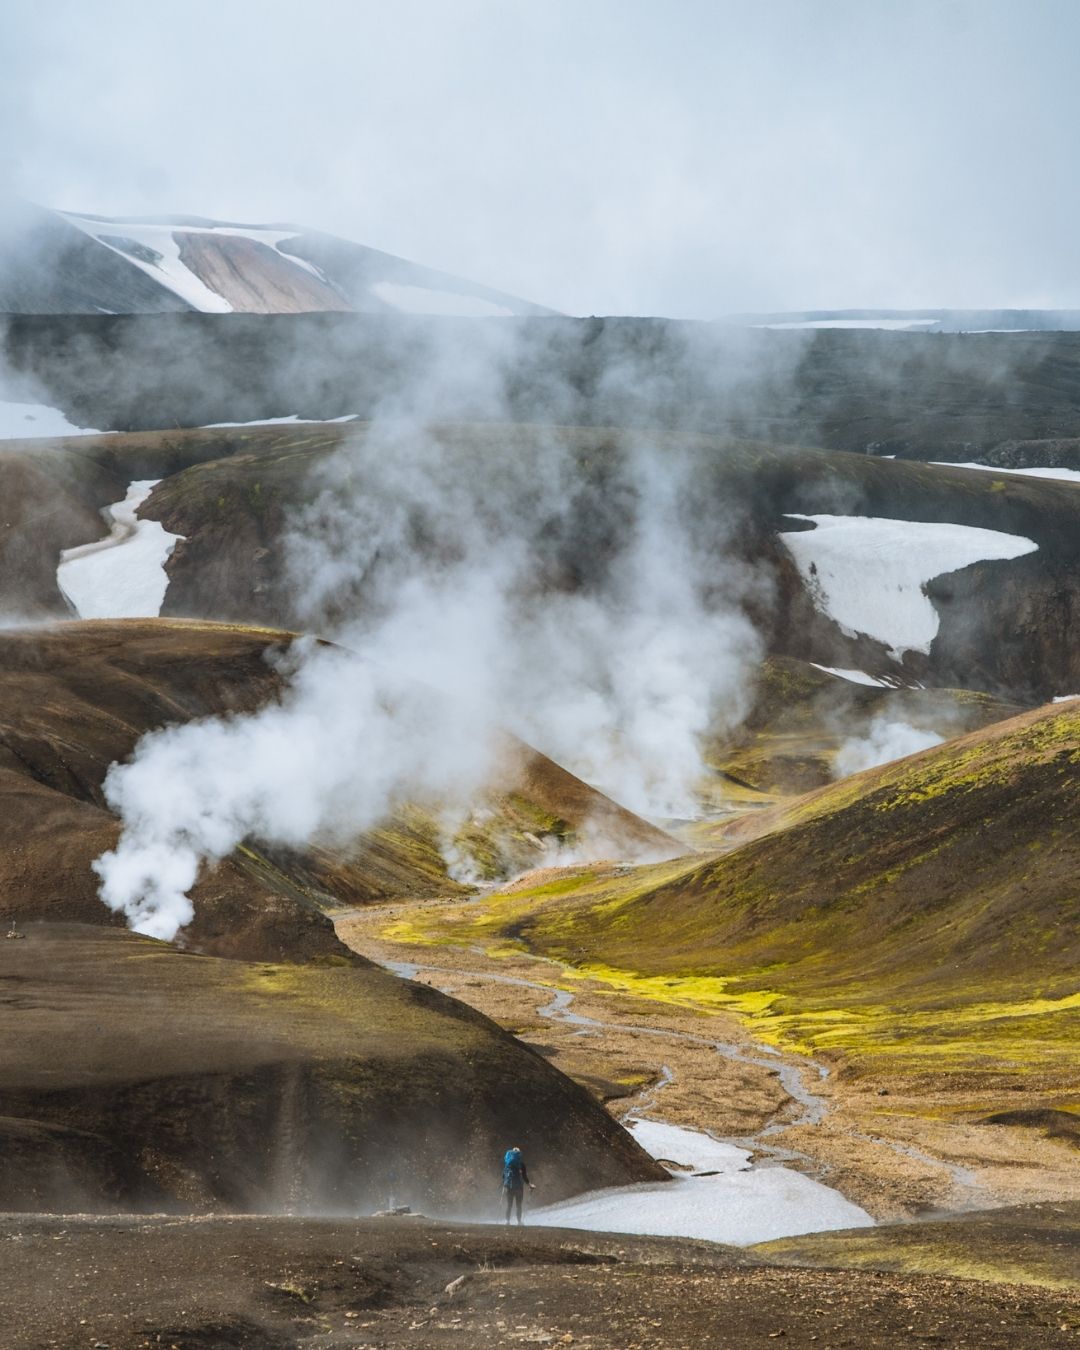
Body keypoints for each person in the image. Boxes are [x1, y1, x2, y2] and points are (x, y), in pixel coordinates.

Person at [501, 1145, 534, 1225]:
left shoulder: (507, 1164)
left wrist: (505, 1184)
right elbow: (524, 1176)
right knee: (518, 1205)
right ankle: (519, 1221)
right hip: (519, 1187)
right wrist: (529, 1184)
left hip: (509, 1187)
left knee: (509, 1205)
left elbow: (503, 1176)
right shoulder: (521, 1164)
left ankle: (507, 1221)